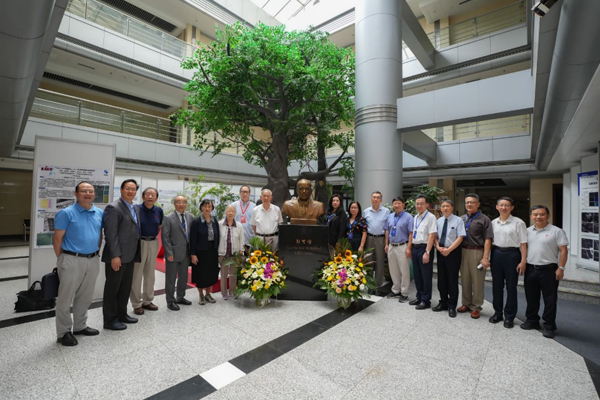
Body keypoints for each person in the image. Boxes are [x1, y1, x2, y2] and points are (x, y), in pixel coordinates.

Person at [52, 181, 103, 346]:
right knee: (65, 298)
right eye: (84, 191)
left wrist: (96, 253)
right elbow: (57, 238)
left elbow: (99, 235)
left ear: (94, 194)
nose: (87, 194)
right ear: (75, 194)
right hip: (71, 259)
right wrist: (62, 258)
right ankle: (63, 332)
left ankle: (80, 326)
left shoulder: (99, 212)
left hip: (93, 259)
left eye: (90, 191)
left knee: (85, 296)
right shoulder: (66, 213)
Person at [521, 205, 568, 338]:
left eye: (542, 214)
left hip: (549, 270)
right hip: (530, 269)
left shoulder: (556, 231)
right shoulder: (527, 231)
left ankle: (549, 325)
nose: (538, 217)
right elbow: (524, 248)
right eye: (535, 214)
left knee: (550, 300)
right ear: (531, 217)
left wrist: (561, 268)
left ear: (548, 216)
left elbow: (563, 250)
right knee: (531, 298)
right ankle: (532, 320)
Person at [101, 179, 141, 330]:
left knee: (125, 287)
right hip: (117, 256)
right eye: (127, 188)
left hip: (130, 255)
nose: (131, 191)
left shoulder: (134, 207)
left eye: (133, 189)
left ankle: (121, 314)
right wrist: (115, 255)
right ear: (121, 190)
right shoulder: (113, 207)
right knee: (112, 289)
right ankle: (110, 320)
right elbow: (111, 234)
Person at [489, 197, 527, 328]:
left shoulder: (519, 223)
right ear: (497, 207)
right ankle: (497, 313)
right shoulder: (493, 222)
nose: (503, 208)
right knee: (496, 285)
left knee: (511, 286)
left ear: (512, 208)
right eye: (501, 205)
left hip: (512, 255)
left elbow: (523, 244)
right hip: (496, 253)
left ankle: (510, 316)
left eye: (506, 205)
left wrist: (523, 261)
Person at [458, 193, 493, 319]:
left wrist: (485, 257)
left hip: (477, 252)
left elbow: (488, 239)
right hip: (463, 251)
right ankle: (466, 303)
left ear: (478, 204)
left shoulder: (484, 219)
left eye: (472, 202)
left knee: (478, 280)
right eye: (467, 202)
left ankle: (476, 307)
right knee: (465, 279)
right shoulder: (461, 219)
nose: (469, 204)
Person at [130, 187, 163, 316]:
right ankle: (136, 303)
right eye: (147, 194)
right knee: (137, 273)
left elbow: (159, 226)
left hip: (153, 242)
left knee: (150, 274)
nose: (150, 196)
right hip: (140, 243)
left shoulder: (159, 210)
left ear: (156, 198)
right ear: (143, 196)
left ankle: (147, 300)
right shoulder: (136, 209)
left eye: (153, 195)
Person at [434, 199, 466, 318]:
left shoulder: (458, 220)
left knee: (452, 280)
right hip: (441, 251)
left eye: (447, 206)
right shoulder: (438, 221)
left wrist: (449, 250)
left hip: (453, 252)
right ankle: (443, 302)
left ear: (452, 207)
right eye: (443, 206)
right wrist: (438, 247)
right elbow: (435, 236)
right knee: (441, 279)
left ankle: (452, 306)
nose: (445, 208)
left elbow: (460, 237)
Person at [161, 195, 193, 311]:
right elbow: (165, 237)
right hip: (173, 253)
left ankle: (180, 297)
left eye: (184, 202)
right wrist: (168, 252)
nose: (181, 204)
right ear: (174, 204)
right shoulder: (168, 218)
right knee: (171, 278)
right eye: (178, 202)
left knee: (183, 277)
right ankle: (170, 301)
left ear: (186, 204)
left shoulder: (190, 217)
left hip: (186, 253)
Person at [408, 195, 438, 310]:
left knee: (426, 276)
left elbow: (432, 235)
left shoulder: (431, 217)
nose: (419, 206)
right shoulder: (415, 217)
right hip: (415, 248)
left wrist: (427, 252)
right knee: (417, 275)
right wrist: (410, 249)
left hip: (425, 248)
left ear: (426, 205)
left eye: (421, 203)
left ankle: (426, 300)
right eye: (417, 204)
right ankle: (419, 296)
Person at [190, 199, 220, 305]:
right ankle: (201, 295)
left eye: (209, 206)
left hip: (212, 250)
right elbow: (193, 239)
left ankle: (208, 294)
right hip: (200, 251)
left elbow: (218, 235)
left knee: (211, 273)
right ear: (201, 207)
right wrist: (193, 254)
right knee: (200, 274)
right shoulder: (197, 222)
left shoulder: (215, 220)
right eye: (205, 206)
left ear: (212, 208)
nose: (207, 208)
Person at [384, 197, 413, 303]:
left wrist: (409, 248)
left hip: (403, 246)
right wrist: (386, 244)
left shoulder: (409, 217)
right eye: (395, 203)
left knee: (404, 270)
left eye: (399, 203)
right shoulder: (390, 216)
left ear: (403, 204)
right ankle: (396, 290)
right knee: (393, 269)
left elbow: (411, 233)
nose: (396, 205)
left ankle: (404, 293)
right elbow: (387, 231)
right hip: (391, 246)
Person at [363, 191, 390, 295]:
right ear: (371, 199)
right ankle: (369, 285)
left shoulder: (386, 211)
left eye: (378, 198)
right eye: (374, 197)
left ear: (381, 200)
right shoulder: (366, 211)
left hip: (381, 239)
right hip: (369, 238)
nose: (375, 199)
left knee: (380, 262)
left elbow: (387, 228)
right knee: (368, 262)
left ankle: (378, 286)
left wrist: (387, 243)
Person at [218, 205, 245, 300]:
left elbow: (242, 239)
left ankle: (232, 291)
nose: (230, 213)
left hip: (235, 253)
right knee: (223, 274)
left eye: (232, 211)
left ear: (235, 213)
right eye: (229, 211)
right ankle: (224, 293)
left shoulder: (239, 225)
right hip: (223, 253)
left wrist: (241, 251)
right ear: (225, 212)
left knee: (233, 274)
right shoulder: (220, 224)